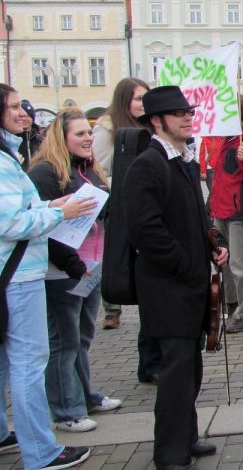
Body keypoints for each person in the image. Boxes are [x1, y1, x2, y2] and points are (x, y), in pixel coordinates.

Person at [122, 86, 226, 470]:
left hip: (189, 285)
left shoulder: (181, 159)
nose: (188, 117)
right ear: (156, 121)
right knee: (175, 374)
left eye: (188, 111)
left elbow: (194, 218)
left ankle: (187, 436)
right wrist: (186, 264)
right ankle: (169, 453)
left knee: (190, 371)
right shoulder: (147, 164)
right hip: (168, 288)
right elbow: (146, 232)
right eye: (178, 113)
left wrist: (212, 242)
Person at [0, 83, 95, 469]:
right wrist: (59, 213)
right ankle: (41, 451)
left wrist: (47, 205)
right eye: (12, 108)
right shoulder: (5, 161)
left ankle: (7, 436)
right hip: (19, 274)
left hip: (16, 271)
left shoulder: (10, 156)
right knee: (29, 362)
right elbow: (11, 222)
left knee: (9, 362)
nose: (24, 113)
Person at [27, 109, 123, 433]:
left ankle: (84, 396)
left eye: (89, 133)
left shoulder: (91, 170)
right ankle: (66, 411)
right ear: (62, 137)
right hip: (62, 272)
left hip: (90, 269)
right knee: (63, 342)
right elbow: (43, 227)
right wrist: (74, 266)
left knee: (82, 338)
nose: (87, 139)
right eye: (80, 134)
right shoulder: (45, 173)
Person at [92, 77, 149, 330]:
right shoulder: (108, 126)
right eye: (138, 98)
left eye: (145, 99)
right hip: (117, 198)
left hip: (142, 199)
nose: (142, 104)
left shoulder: (148, 124)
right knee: (115, 252)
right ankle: (112, 307)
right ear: (124, 100)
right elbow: (100, 168)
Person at [208, 95, 243, 333]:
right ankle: (233, 305)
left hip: (239, 210)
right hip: (220, 209)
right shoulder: (224, 139)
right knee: (225, 263)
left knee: (242, 265)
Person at [17, 100, 43, 169]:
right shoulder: (12, 140)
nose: (24, 119)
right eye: (21, 116)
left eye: (28, 116)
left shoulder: (42, 141)